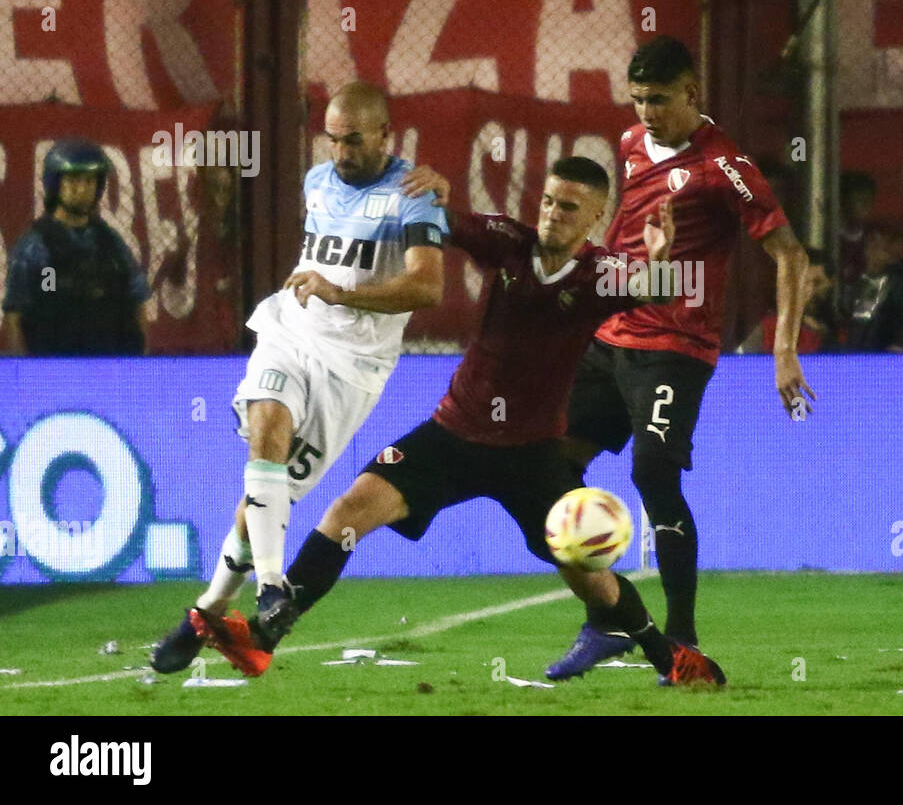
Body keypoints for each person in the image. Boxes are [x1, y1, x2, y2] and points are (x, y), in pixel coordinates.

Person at [191, 157, 726, 687]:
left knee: (591, 577)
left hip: (532, 454)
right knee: (348, 513)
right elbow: (447, 221)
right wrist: (437, 192)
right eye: (547, 201)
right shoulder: (509, 242)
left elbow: (658, 291)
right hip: (452, 434)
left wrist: (661, 255)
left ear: (597, 217)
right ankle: (263, 639)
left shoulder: (599, 275)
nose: (553, 214)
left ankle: (670, 658)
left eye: (569, 208)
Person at [149, 82, 447, 674]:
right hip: (293, 330)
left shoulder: (414, 194)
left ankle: (207, 608)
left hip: (353, 368)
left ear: (386, 134)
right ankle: (270, 585)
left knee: (269, 492)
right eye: (332, 139)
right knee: (267, 430)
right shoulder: (317, 182)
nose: (340, 152)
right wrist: (322, 295)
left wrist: (340, 291)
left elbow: (428, 287)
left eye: (354, 140)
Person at [542, 36, 812, 680]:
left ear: (693, 93)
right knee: (550, 469)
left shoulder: (727, 166)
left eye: (659, 99)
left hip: (675, 347)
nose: (646, 112)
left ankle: (682, 640)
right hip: (612, 336)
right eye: (637, 99)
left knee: (654, 474)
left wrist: (784, 350)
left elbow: (790, 255)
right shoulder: (632, 145)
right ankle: (608, 620)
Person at [3, 139, 149, 355]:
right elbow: (14, 316)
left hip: (111, 370)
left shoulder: (111, 243)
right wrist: (25, 378)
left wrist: (140, 368)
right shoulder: (37, 247)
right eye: (73, 180)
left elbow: (138, 301)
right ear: (55, 185)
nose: (83, 189)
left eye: (90, 181)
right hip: (57, 371)